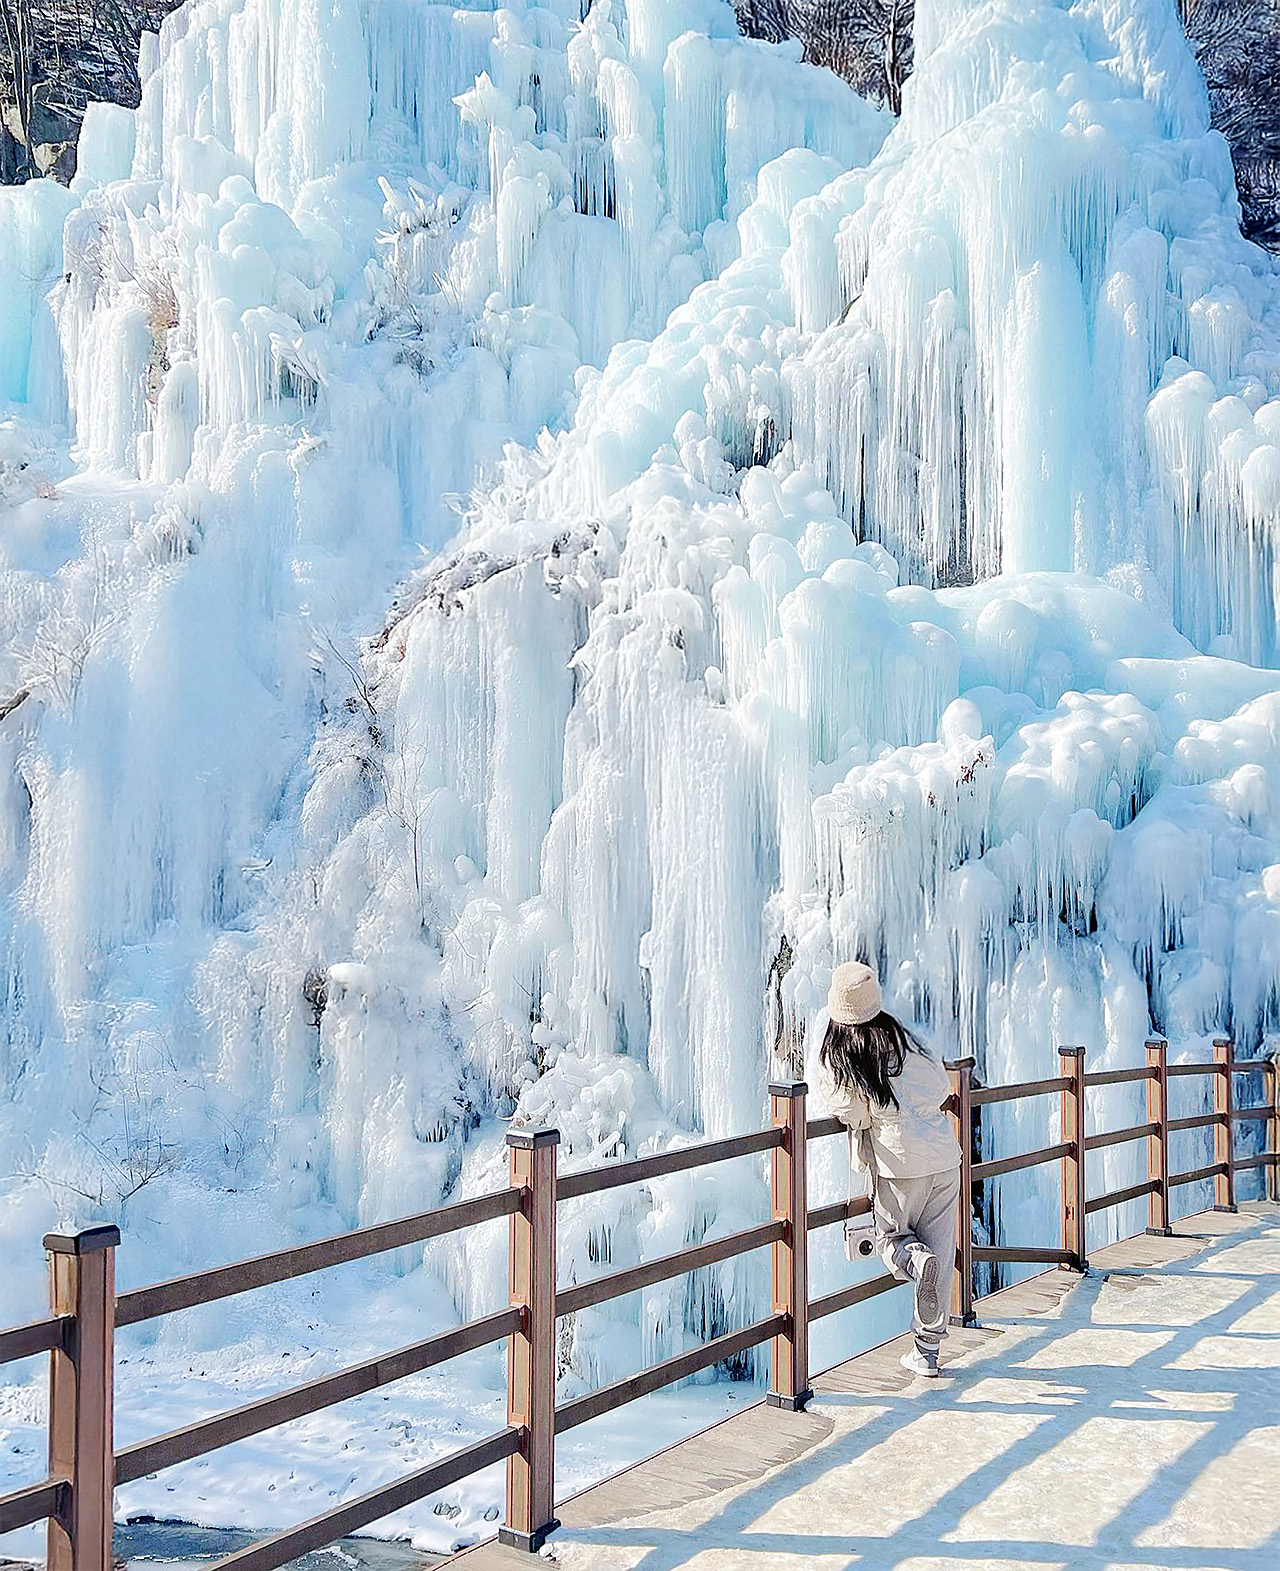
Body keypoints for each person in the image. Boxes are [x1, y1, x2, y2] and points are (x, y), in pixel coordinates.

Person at [814, 960, 962, 1378]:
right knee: (942, 1250)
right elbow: (942, 1085)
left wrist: (874, 1112)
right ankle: (928, 1353)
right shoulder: (906, 1039)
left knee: (891, 1238)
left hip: (901, 1164)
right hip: (944, 1158)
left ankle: (915, 1263)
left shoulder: (847, 1051)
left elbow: (848, 1111)